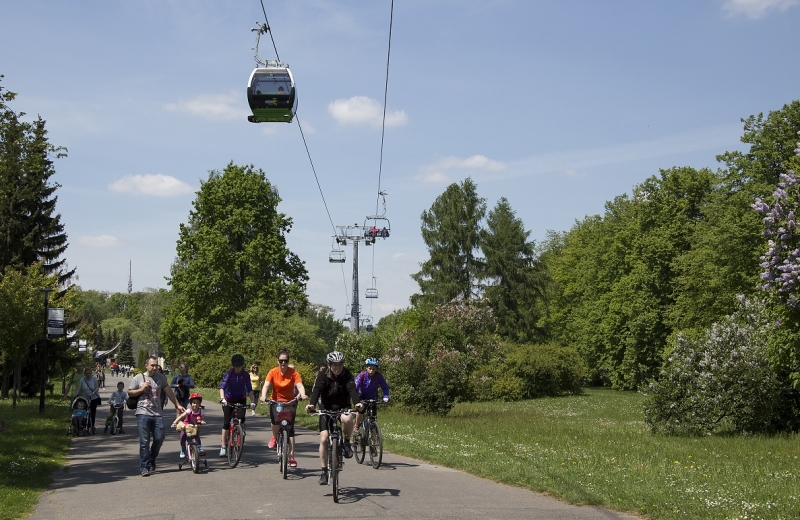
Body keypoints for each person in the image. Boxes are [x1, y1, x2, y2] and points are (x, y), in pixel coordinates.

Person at [305, 351, 363, 485]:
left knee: (348, 419)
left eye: (340, 365)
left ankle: (347, 443)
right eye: (334, 365)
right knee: (324, 438)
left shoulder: (347, 374)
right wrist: (312, 404)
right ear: (329, 365)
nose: (337, 367)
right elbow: (317, 390)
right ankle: (324, 471)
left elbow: (352, 390)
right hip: (326, 408)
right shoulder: (322, 375)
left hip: (343, 407)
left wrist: (358, 403)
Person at [129, 356, 185, 477]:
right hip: (142, 413)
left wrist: (177, 405)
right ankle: (144, 467)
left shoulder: (161, 378)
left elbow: (168, 391)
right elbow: (130, 392)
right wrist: (141, 389)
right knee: (144, 441)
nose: (154, 367)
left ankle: (151, 458)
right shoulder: (138, 378)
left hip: (157, 413)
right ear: (146, 366)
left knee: (159, 438)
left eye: (156, 365)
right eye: (152, 365)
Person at [260, 349, 307, 468]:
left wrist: (302, 394)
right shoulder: (273, 372)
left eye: (285, 361)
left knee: (290, 430)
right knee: (275, 421)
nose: (283, 363)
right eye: (281, 361)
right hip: (276, 401)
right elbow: (266, 385)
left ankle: (291, 457)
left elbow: (300, 385)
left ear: (288, 361)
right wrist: (263, 396)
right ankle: (275, 437)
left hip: (290, 402)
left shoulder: (293, 372)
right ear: (278, 361)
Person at [218, 354, 257, 458]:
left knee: (241, 418)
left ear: (242, 366)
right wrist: (223, 399)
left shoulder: (245, 375)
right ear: (233, 366)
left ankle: (241, 428)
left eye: (239, 366)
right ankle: (223, 446)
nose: (237, 368)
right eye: (235, 366)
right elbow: (222, 387)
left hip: (241, 398)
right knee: (226, 423)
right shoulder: (229, 374)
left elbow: (249, 390)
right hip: (228, 399)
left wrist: (252, 401)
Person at [353, 357, 390, 431]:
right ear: (366, 367)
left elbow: (385, 387)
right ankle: (356, 426)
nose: (371, 371)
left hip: (373, 397)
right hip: (362, 395)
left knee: (373, 417)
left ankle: (373, 439)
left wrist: (386, 396)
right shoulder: (362, 375)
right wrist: (356, 399)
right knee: (361, 409)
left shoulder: (378, 376)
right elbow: (355, 387)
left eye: (373, 369)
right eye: (370, 368)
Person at [171, 393, 206, 458]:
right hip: (186, 426)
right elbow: (181, 416)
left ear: (199, 404)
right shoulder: (189, 410)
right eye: (194, 403)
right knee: (182, 437)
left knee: (197, 436)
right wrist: (175, 422)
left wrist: (202, 421)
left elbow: (202, 419)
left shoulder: (201, 411)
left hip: (194, 426)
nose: (195, 404)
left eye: (197, 403)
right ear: (191, 403)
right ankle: (183, 449)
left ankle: (199, 448)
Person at [76, 367, 101, 434]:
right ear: (85, 374)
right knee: (84, 411)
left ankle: (92, 425)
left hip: (93, 397)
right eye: (87, 373)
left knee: (92, 412)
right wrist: (76, 394)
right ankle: (83, 424)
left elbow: (97, 388)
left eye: (89, 373)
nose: (88, 375)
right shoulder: (82, 380)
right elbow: (78, 388)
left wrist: (92, 393)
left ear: (91, 373)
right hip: (85, 398)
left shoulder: (94, 379)